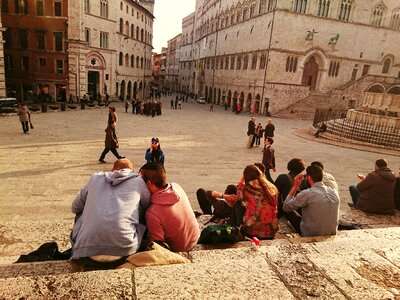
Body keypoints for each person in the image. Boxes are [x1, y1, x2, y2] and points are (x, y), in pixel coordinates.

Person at [70, 159, 151, 269]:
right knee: (141, 212)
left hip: (87, 255)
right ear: (132, 171)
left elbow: (75, 207)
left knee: (80, 212)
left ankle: (82, 243)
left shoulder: (95, 178)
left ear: (112, 170)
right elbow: (147, 205)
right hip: (124, 252)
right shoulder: (138, 181)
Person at [141, 163, 200, 252]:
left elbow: (158, 245)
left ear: (149, 183)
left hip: (179, 248)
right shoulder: (177, 186)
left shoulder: (153, 213)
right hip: (194, 238)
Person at [283, 164, 340, 237]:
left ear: (309, 177)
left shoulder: (308, 193)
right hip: (332, 232)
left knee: (287, 207)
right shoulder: (333, 192)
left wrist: (295, 186)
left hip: (311, 233)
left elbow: (286, 207)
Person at [230, 164, 279, 240]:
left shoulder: (247, 189)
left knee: (238, 203)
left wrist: (241, 181)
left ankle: (234, 226)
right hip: (271, 230)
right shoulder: (272, 187)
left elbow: (238, 196)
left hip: (252, 232)